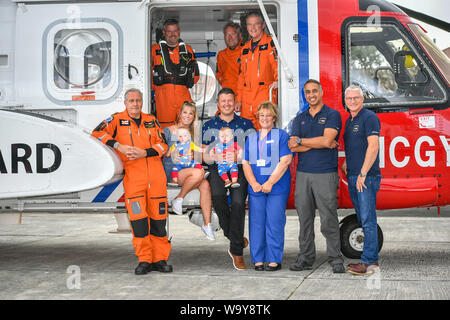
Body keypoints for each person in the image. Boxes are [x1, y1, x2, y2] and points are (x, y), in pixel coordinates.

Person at [92, 88, 172, 275]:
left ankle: (160, 259)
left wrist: (145, 152)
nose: (135, 104)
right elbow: (97, 133)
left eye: (138, 100)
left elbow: (163, 144)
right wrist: (118, 145)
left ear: (142, 102)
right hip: (134, 178)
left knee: (159, 222)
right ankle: (144, 260)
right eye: (132, 101)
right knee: (139, 222)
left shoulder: (151, 120)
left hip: (156, 177)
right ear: (125, 102)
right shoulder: (117, 120)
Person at [288, 79, 345, 274]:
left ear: (321, 92)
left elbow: (327, 139)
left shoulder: (332, 114)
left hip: (325, 174)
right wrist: (320, 142)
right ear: (305, 95)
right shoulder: (300, 118)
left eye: (314, 91)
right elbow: (292, 146)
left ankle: (336, 259)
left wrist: (304, 141)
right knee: (305, 219)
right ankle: (305, 258)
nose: (311, 94)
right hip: (303, 174)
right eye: (307, 92)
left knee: (328, 218)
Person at [202, 88, 255, 270]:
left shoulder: (246, 124)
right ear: (218, 103)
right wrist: (214, 157)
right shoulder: (208, 126)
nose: (226, 104)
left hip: (239, 168)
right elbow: (203, 154)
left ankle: (237, 252)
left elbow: (254, 151)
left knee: (239, 202)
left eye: (230, 101)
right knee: (217, 197)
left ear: (235, 102)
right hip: (217, 169)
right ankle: (236, 237)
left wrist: (239, 157)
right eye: (223, 101)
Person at [242, 101, 292, 271]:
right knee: (256, 223)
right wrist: (254, 183)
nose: (264, 118)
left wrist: (270, 182)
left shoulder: (282, 136)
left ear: (274, 117)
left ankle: (274, 259)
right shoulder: (252, 137)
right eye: (261, 115)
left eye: (268, 115)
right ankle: (257, 259)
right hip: (256, 189)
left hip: (276, 189)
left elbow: (285, 161)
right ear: (258, 117)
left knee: (274, 222)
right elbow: (246, 163)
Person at [343, 85, 381, 275]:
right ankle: (368, 259)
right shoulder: (350, 120)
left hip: (365, 177)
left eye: (356, 98)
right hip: (353, 175)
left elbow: (373, 146)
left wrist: (363, 173)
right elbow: (355, 147)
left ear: (362, 99)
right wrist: (348, 165)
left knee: (367, 220)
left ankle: (370, 262)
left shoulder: (369, 118)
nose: (352, 101)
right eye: (349, 98)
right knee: (362, 218)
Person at [163, 101, 215, 240]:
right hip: (173, 171)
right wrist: (173, 153)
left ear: (193, 117)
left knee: (205, 185)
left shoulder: (193, 134)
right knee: (199, 173)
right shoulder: (169, 131)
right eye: (185, 112)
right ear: (180, 114)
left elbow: (198, 153)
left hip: (188, 169)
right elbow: (162, 151)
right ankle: (178, 199)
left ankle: (207, 224)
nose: (187, 116)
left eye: (191, 114)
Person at [151, 19, 199, 128]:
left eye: (175, 31)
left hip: (183, 97)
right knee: (166, 133)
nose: (173, 34)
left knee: (188, 132)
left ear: (179, 31)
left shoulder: (188, 50)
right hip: (164, 100)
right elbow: (148, 77)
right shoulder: (154, 50)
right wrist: (160, 88)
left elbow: (195, 77)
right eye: (169, 31)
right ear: (164, 32)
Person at [236, 11, 278, 130]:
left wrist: (278, 80)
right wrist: (238, 99)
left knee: (265, 133)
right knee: (247, 134)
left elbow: (277, 66)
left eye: (256, 24)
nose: (252, 28)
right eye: (249, 24)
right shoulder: (245, 48)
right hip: (247, 98)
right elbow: (241, 76)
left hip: (264, 94)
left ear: (263, 25)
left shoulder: (271, 43)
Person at [216, 22, 243, 98]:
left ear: (239, 35)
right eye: (227, 35)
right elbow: (219, 75)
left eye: (233, 34)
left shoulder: (247, 52)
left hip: (243, 96)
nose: (230, 37)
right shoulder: (221, 55)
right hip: (227, 95)